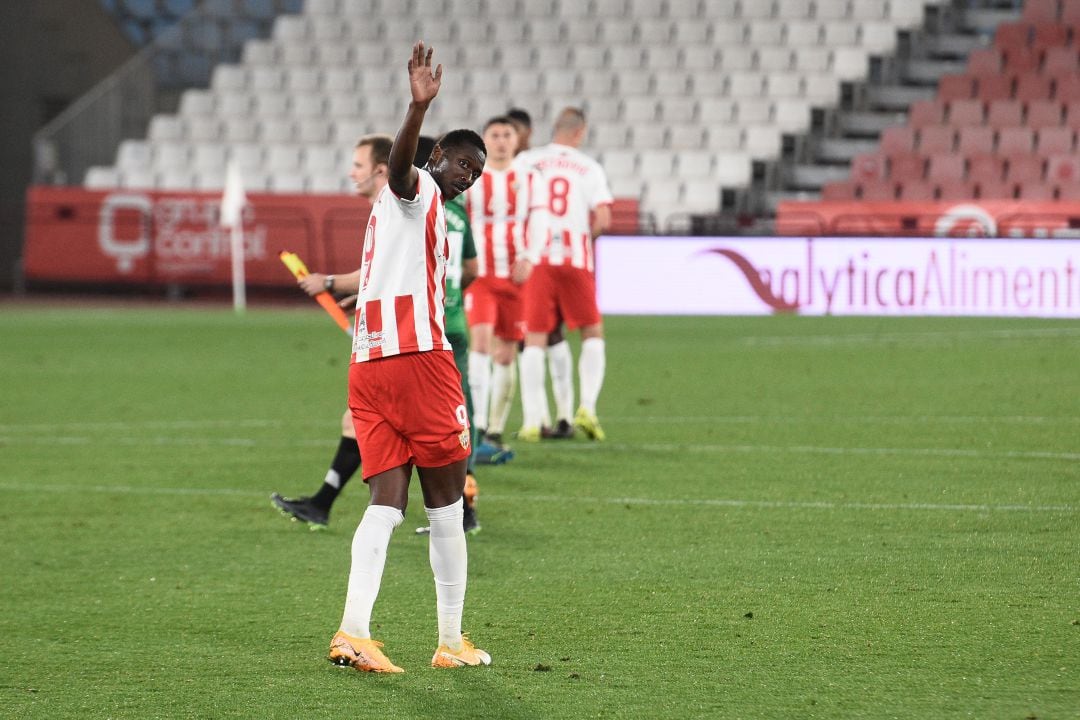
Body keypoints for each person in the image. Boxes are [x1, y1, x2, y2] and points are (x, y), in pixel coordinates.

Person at [326, 41, 490, 673]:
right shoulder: (415, 189)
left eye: (475, 173)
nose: (466, 176)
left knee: (387, 505)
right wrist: (417, 109)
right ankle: (450, 640)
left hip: (369, 366)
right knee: (448, 506)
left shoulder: (418, 214)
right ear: (437, 157)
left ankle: (353, 631)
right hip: (418, 361)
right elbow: (400, 169)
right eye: (461, 164)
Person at [271, 135, 483, 534]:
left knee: (446, 429)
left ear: (385, 170)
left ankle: (460, 508)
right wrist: (372, 298)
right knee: (387, 422)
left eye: (358, 164)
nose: (352, 173)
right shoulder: (451, 209)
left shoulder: (406, 200)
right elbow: (467, 268)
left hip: (421, 334)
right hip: (429, 322)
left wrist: (333, 281)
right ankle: (324, 501)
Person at [517, 107, 613, 443]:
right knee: (591, 332)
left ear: (555, 128)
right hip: (576, 258)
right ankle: (586, 407)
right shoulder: (589, 167)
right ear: (580, 132)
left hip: (537, 257)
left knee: (535, 338)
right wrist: (585, 237)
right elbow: (602, 219)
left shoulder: (528, 161)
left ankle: (531, 421)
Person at [462, 116, 535, 461]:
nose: (502, 141)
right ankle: (474, 429)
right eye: (495, 135)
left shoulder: (530, 177)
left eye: (508, 135)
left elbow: (540, 219)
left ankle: (493, 428)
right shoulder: (472, 179)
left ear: (516, 141)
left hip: (515, 277)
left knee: (506, 355)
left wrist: (531, 256)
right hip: (481, 275)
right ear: (484, 140)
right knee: (479, 344)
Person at [509, 107, 576, 440]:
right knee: (529, 338)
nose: (511, 139)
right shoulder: (513, 168)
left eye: (514, 133)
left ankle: (559, 415)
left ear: (526, 133)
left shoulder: (529, 164)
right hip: (523, 264)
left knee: (549, 334)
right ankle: (539, 418)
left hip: (541, 260)